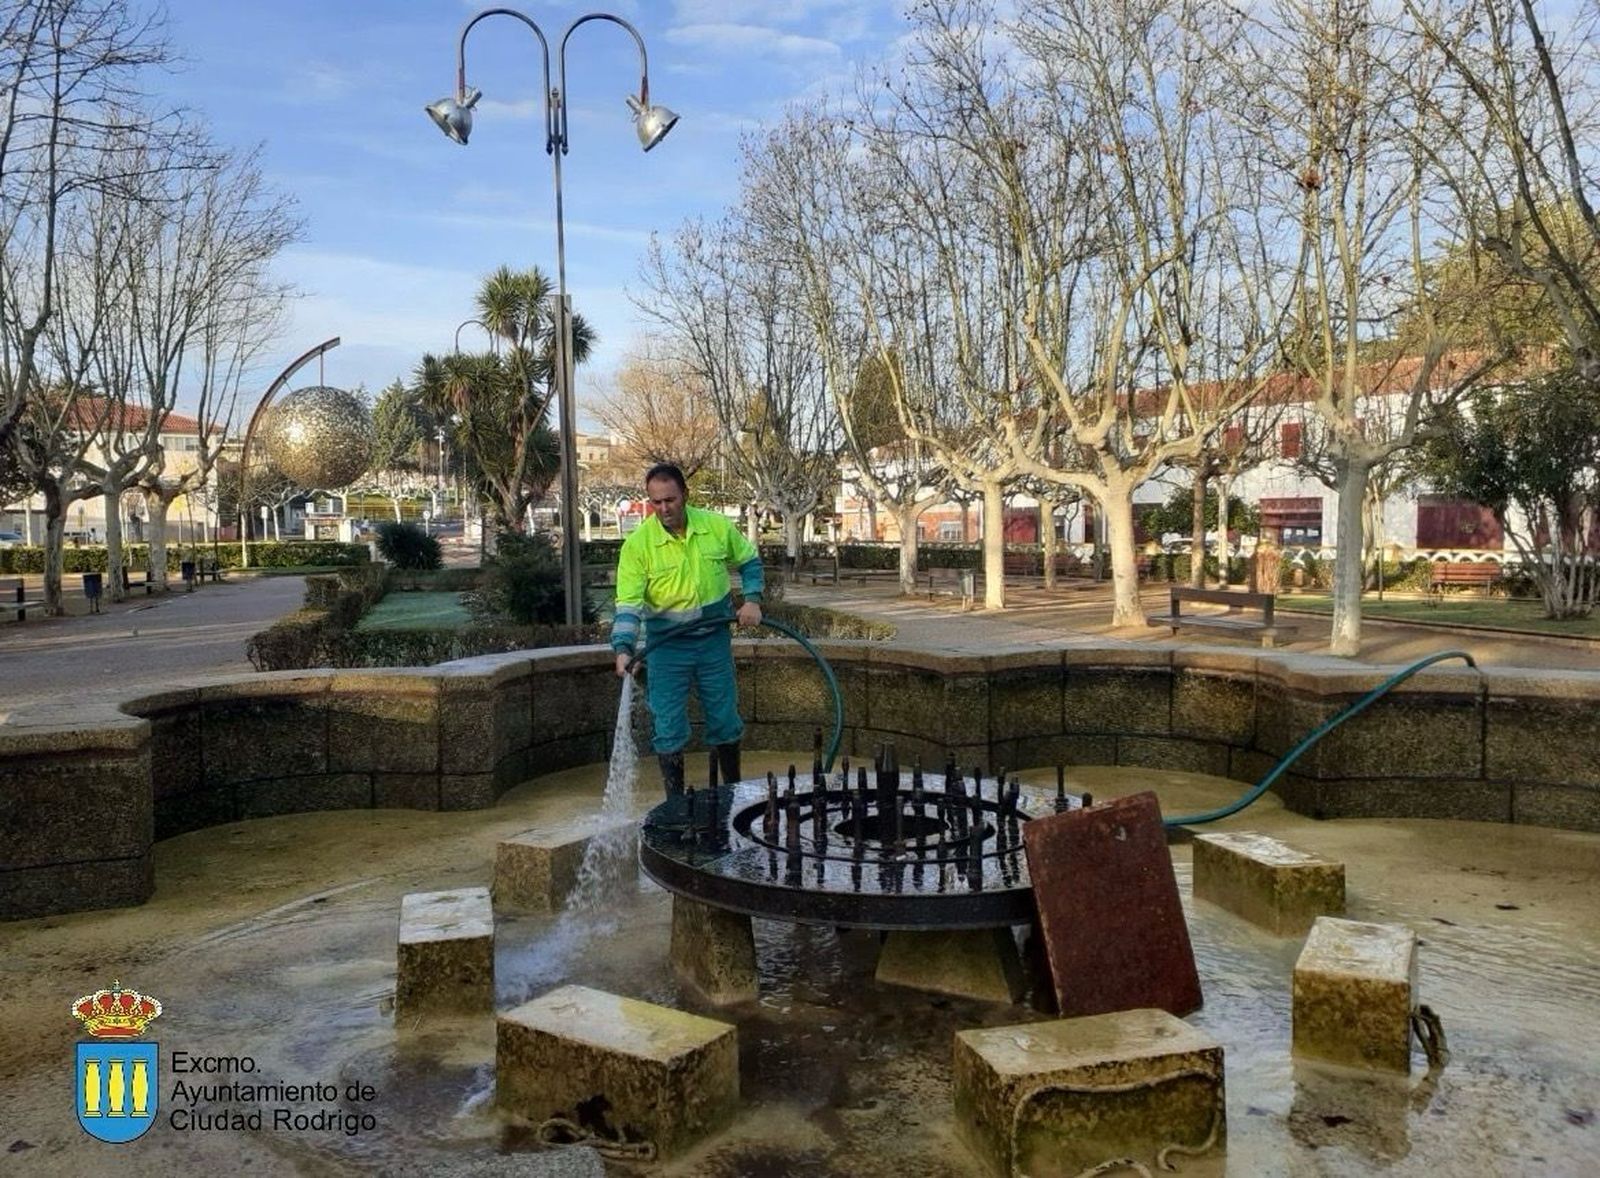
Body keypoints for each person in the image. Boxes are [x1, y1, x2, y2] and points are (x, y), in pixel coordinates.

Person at [611, 463, 763, 797]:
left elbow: (749, 561)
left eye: (670, 500)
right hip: (667, 647)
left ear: (685, 495)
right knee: (668, 726)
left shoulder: (715, 527)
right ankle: (675, 805)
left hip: (713, 641)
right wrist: (624, 648)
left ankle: (731, 793)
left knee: (724, 719)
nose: (664, 508)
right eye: (656, 502)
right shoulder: (638, 546)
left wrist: (752, 599)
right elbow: (628, 605)